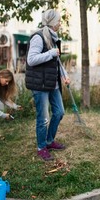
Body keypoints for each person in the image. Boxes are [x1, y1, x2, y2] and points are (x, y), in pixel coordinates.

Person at [25, 9, 70, 161]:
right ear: (52, 22)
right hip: (40, 85)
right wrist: (50, 53)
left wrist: (65, 75)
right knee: (43, 118)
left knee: (59, 113)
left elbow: (56, 61)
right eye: (58, 20)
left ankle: (49, 141)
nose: (60, 23)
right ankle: (41, 147)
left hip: (53, 83)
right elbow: (31, 60)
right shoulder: (38, 37)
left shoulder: (54, 37)